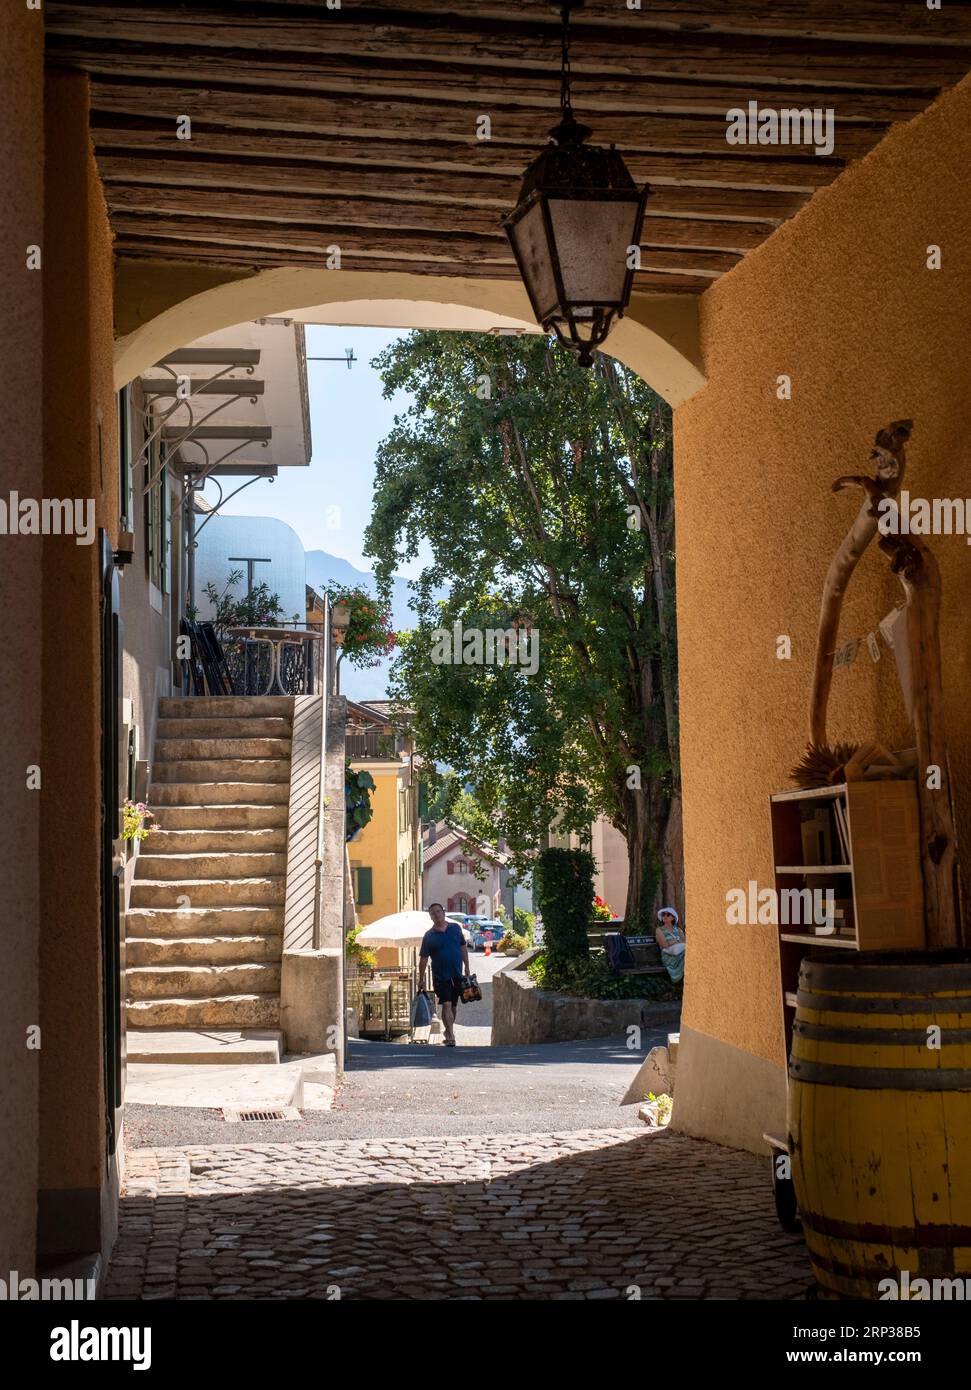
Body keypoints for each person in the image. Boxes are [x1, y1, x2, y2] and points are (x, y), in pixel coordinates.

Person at [417, 902, 470, 1047]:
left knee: (453, 1006)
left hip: (456, 975)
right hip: (440, 976)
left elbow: (463, 947)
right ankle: (451, 1035)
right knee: (446, 1004)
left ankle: (448, 1030)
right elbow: (423, 959)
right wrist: (420, 979)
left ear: (443, 912)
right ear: (431, 917)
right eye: (433, 913)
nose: (437, 915)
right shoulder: (429, 936)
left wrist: (467, 967)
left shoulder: (455, 928)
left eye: (438, 911)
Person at [655, 906, 686, 983]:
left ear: (673, 918)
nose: (665, 916)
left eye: (668, 915)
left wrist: (672, 942)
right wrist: (677, 941)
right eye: (663, 914)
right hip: (668, 957)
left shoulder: (678, 930)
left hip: (680, 953)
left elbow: (685, 942)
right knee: (687, 956)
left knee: (689, 955)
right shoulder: (659, 930)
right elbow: (664, 945)